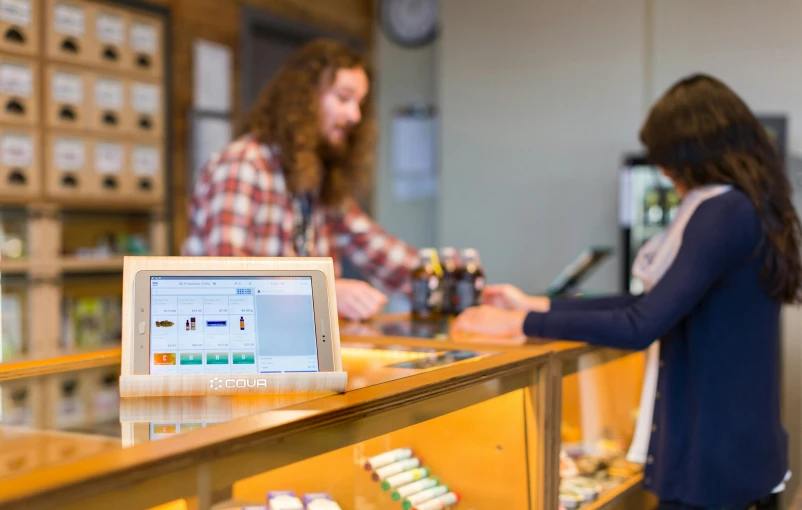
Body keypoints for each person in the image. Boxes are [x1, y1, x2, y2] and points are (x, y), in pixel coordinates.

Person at [451, 74, 799, 509]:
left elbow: (641, 323)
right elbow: (656, 302)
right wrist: (537, 304)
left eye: (668, 159)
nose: (664, 171)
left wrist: (519, 322)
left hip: (713, 468)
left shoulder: (720, 212)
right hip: (742, 457)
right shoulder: (751, 206)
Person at [182, 39, 419, 321]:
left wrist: (458, 282)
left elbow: (379, 250)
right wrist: (324, 291)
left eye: (360, 104)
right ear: (303, 98)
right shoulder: (243, 164)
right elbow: (225, 275)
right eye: (344, 98)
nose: (355, 116)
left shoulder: (316, 175)